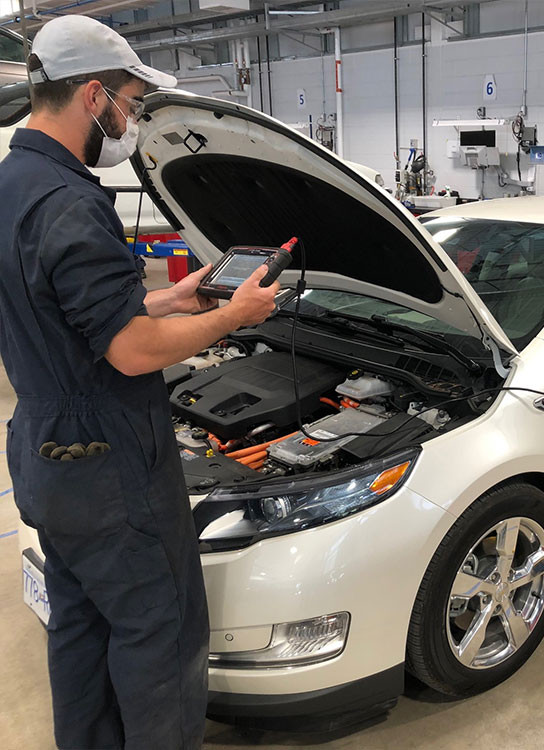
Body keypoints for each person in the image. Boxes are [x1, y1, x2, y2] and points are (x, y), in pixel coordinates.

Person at [0, 16, 279, 750]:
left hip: (44, 456)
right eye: (128, 100)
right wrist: (234, 315)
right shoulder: (70, 201)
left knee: (82, 625)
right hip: (109, 468)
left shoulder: (11, 186)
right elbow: (129, 353)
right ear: (93, 96)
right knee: (163, 637)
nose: (131, 120)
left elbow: (64, 312)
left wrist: (167, 300)